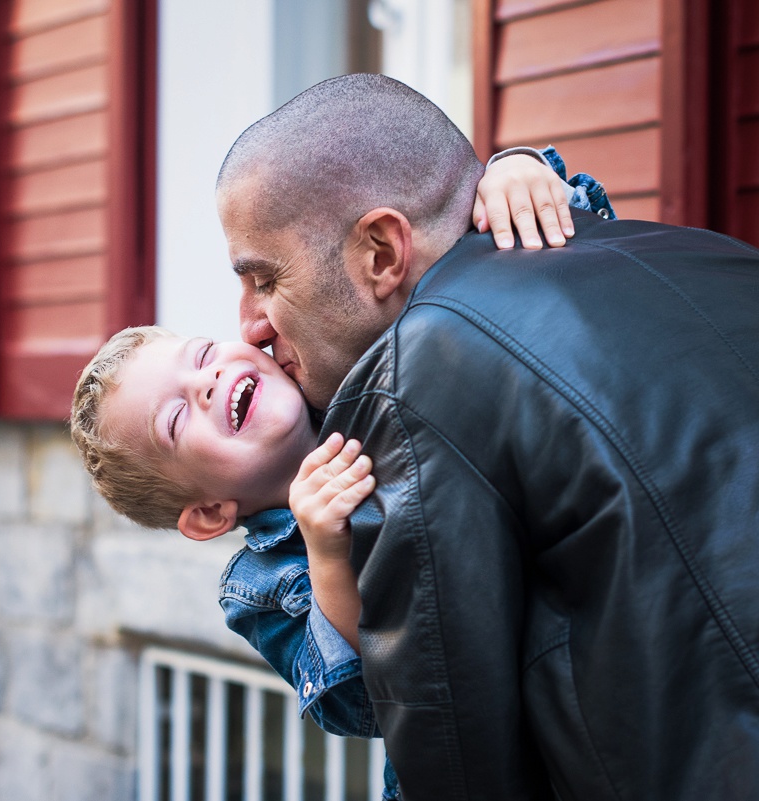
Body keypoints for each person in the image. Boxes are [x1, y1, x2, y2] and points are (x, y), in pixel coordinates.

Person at [215, 72, 759, 800]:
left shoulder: (415, 376)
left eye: (264, 279)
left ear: (380, 252)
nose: (249, 325)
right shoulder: (701, 250)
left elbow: (455, 747)